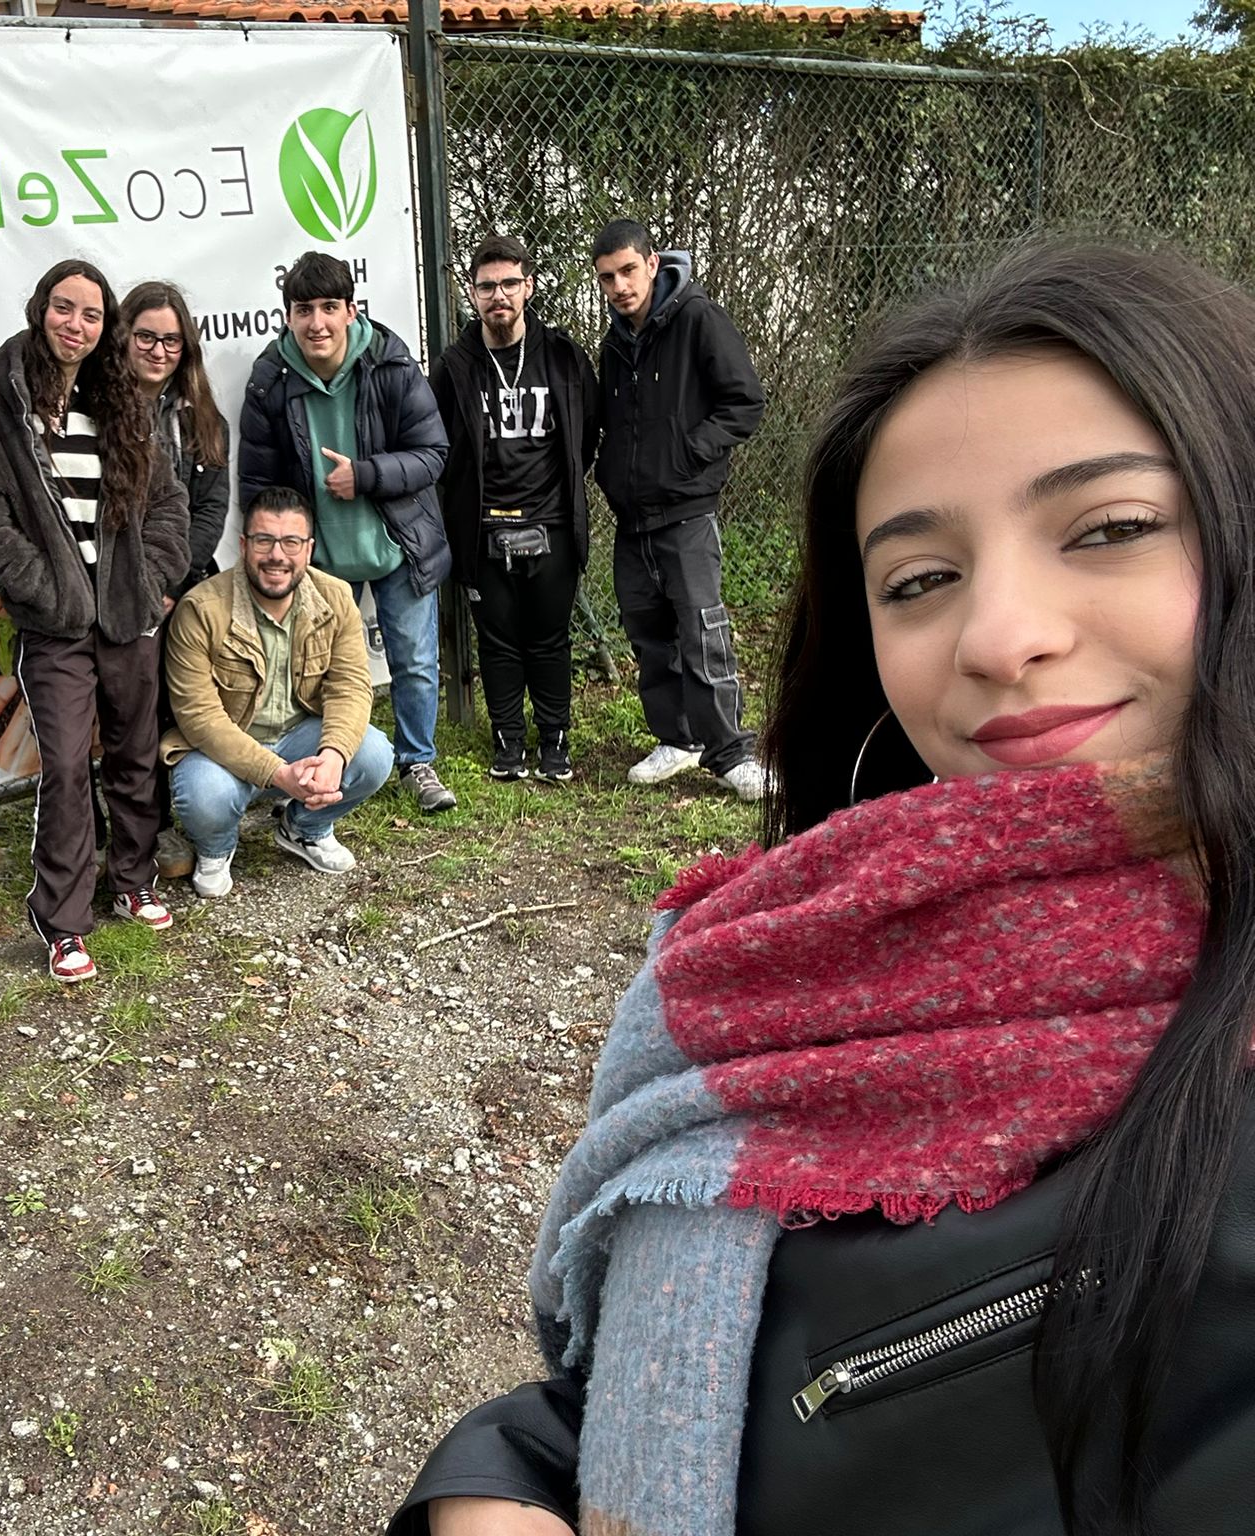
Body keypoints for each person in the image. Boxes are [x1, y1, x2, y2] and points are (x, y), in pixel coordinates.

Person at [390, 241, 1255, 1536]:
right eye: (919, 580)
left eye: (1111, 529)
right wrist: (494, 1480)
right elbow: (667, 1367)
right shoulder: (796, 950)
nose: (996, 636)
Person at [0, 259, 190, 984]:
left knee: (135, 752)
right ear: (39, 308)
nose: (75, 325)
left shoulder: (120, 398)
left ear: (106, 326)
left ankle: (134, 878)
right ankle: (64, 923)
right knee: (68, 768)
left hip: (126, 613)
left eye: (91, 314)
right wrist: (42, 588)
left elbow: (168, 501)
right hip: (55, 623)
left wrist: (150, 577)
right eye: (63, 307)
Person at [238, 251, 455, 815]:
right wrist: (274, 551)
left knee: (413, 660)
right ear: (288, 316)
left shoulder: (390, 362)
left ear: (351, 310)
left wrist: (366, 475)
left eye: (329, 307)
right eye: (304, 309)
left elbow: (433, 453)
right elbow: (258, 482)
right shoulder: (270, 379)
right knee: (316, 669)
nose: (318, 323)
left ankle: (417, 761)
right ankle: (321, 766)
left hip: (397, 544)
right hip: (319, 558)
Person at [591, 219, 768, 800]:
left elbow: (744, 401)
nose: (620, 286)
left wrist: (689, 452)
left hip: (687, 512)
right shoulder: (615, 342)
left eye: (628, 271)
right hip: (631, 519)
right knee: (649, 636)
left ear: (652, 262)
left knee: (701, 631)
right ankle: (677, 739)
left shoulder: (698, 319)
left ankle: (732, 753)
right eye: (607, 278)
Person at [162, 486, 393, 898]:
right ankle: (216, 848)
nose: (277, 555)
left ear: (309, 549)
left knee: (373, 755)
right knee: (203, 794)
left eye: (291, 542)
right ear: (243, 545)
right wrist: (279, 774)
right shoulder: (200, 609)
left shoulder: (336, 596)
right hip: (224, 752)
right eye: (264, 540)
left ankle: (305, 828)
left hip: (298, 739)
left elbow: (351, 685)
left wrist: (333, 755)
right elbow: (199, 717)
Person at [430, 234, 600, 782]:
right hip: (483, 529)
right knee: (498, 642)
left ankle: (554, 741)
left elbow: (586, 435)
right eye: (486, 287)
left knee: (549, 638)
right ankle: (508, 743)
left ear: (528, 286)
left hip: (551, 524)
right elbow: (440, 447)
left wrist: (555, 495)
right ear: (472, 294)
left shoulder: (563, 356)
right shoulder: (454, 367)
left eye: (508, 283)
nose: (497, 295)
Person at [121, 279, 232, 881]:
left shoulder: (204, 420)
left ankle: (197, 820)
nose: (159, 351)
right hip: (116, 588)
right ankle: (139, 832)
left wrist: (170, 585)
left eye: (172, 340)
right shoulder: (95, 412)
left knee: (184, 707)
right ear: (123, 337)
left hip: (183, 588)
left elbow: (210, 512)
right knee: (130, 718)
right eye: (147, 337)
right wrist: (137, 588)